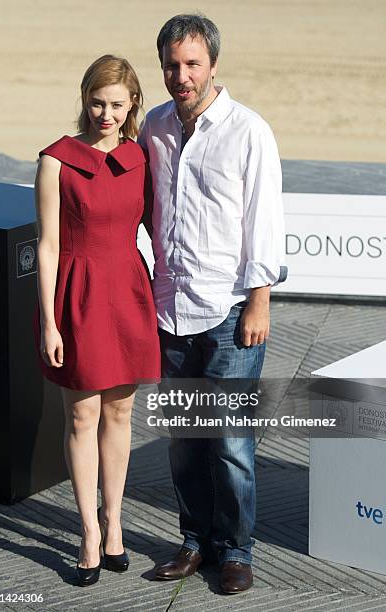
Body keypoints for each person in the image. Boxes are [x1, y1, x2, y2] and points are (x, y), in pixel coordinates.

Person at [138, 14, 286, 594]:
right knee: (184, 441)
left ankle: (237, 550)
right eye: (173, 65)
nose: (183, 75)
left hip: (229, 313)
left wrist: (259, 301)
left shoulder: (249, 131)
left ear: (213, 65)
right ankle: (196, 541)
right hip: (170, 309)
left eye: (193, 63)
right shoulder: (153, 126)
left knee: (229, 443)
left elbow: (263, 222)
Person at [34, 55, 160, 587]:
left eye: (116, 104)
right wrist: (48, 322)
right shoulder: (56, 159)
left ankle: (115, 525)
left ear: (132, 104)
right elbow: (46, 246)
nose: (105, 114)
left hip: (128, 292)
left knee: (119, 416)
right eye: (96, 102)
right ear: (84, 97)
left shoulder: (141, 157)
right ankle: (88, 531)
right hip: (77, 296)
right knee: (82, 417)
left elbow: (159, 229)